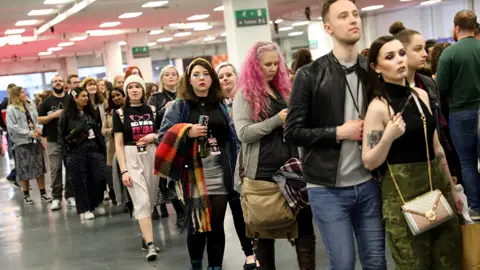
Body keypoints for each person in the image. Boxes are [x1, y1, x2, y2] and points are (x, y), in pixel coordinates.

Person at [284, 1, 386, 269]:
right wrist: (338, 132)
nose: (353, 20)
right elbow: (292, 131)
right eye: (343, 16)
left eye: (355, 14)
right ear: (328, 27)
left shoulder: (372, 71)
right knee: (343, 263)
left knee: (376, 262)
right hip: (327, 188)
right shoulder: (309, 75)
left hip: (369, 184)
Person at [362, 35, 462, 269]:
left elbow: (436, 148)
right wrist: (388, 136)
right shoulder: (378, 107)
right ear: (376, 68)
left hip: (436, 187)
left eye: (401, 53)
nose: (399, 60)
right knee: (414, 263)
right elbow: (369, 160)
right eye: (390, 57)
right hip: (402, 196)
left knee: (449, 258)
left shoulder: (421, 95)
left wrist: (453, 189)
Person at [234, 41, 316, 270]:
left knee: (305, 229)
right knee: (264, 233)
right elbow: (243, 133)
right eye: (266, 64)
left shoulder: (283, 89)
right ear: (254, 66)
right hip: (261, 172)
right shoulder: (244, 95)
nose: (272, 68)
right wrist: (275, 121)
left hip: (292, 169)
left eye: (275, 63)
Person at [157, 58, 238, 270]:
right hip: (192, 171)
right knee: (198, 224)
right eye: (196, 75)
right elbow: (163, 136)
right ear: (189, 80)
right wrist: (186, 130)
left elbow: (231, 138)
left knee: (217, 223)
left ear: (212, 79)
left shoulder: (220, 104)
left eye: (206, 74)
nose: (201, 78)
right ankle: (196, 266)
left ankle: (215, 267)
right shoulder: (179, 106)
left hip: (220, 168)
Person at [389, 22, 459, 183]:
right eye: (417, 49)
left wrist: (450, 169)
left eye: (423, 49)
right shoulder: (386, 93)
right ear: (402, 52)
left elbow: (439, 130)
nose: (425, 54)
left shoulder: (428, 84)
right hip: (403, 174)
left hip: (433, 164)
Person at [436, 10, 480, 220]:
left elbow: (440, 87)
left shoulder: (449, 54)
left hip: (461, 113)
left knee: (467, 162)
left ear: (456, 28)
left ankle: (476, 208)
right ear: (475, 27)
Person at [113, 75, 161, 261]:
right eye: (130, 87)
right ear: (126, 91)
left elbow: (161, 133)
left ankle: (145, 237)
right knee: (141, 200)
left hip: (151, 154)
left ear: (143, 89)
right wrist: (124, 170)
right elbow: (118, 144)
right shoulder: (120, 113)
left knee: (149, 198)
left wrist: (154, 138)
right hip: (131, 154)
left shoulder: (153, 110)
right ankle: (150, 244)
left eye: (137, 86)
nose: (134, 90)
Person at [216, 62, 258, 269]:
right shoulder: (216, 106)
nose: (225, 79)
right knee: (237, 210)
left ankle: (260, 250)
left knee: (257, 209)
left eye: (228, 74)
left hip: (253, 162)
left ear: (237, 76)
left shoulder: (249, 98)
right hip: (230, 165)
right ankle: (249, 253)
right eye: (221, 76)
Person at [58, 87, 107, 220]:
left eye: (86, 96)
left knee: (98, 177)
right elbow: (61, 136)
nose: (86, 98)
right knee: (80, 181)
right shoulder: (66, 115)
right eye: (83, 96)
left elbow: (98, 129)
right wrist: (66, 154)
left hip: (94, 147)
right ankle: (84, 208)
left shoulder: (92, 112)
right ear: (75, 98)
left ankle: (96, 203)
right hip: (76, 150)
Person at [147, 65, 185, 223]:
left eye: (174, 74)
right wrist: (165, 110)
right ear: (161, 78)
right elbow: (150, 121)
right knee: (169, 177)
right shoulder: (156, 97)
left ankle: (187, 210)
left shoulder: (184, 94)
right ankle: (180, 213)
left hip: (183, 138)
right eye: (167, 74)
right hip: (165, 140)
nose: (171, 77)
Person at [6, 86, 52, 204]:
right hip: (22, 142)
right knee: (24, 169)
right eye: (21, 92)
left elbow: (37, 120)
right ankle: (26, 195)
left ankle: (43, 194)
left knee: (39, 168)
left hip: (35, 141)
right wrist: (28, 133)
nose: (24, 93)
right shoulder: (11, 109)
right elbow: (12, 127)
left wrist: (39, 129)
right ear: (16, 95)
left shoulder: (30, 104)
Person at [38, 75, 76, 211]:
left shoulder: (71, 98)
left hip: (70, 139)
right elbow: (39, 120)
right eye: (55, 81)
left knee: (71, 168)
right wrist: (54, 115)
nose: (58, 83)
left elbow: (80, 109)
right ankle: (56, 197)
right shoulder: (46, 102)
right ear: (52, 84)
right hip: (53, 140)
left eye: (60, 80)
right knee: (56, 169)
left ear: (64, 83)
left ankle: (70, 195)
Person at [102, 88, 126, 205]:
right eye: (113, 96)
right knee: (116, 175)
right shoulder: (108, 112)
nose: (116, 98)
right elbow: (103, 130)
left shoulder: (130, 109)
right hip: (113, 147)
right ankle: (120, 199)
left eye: (118, 95)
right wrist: (114, 130)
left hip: (129, 146)